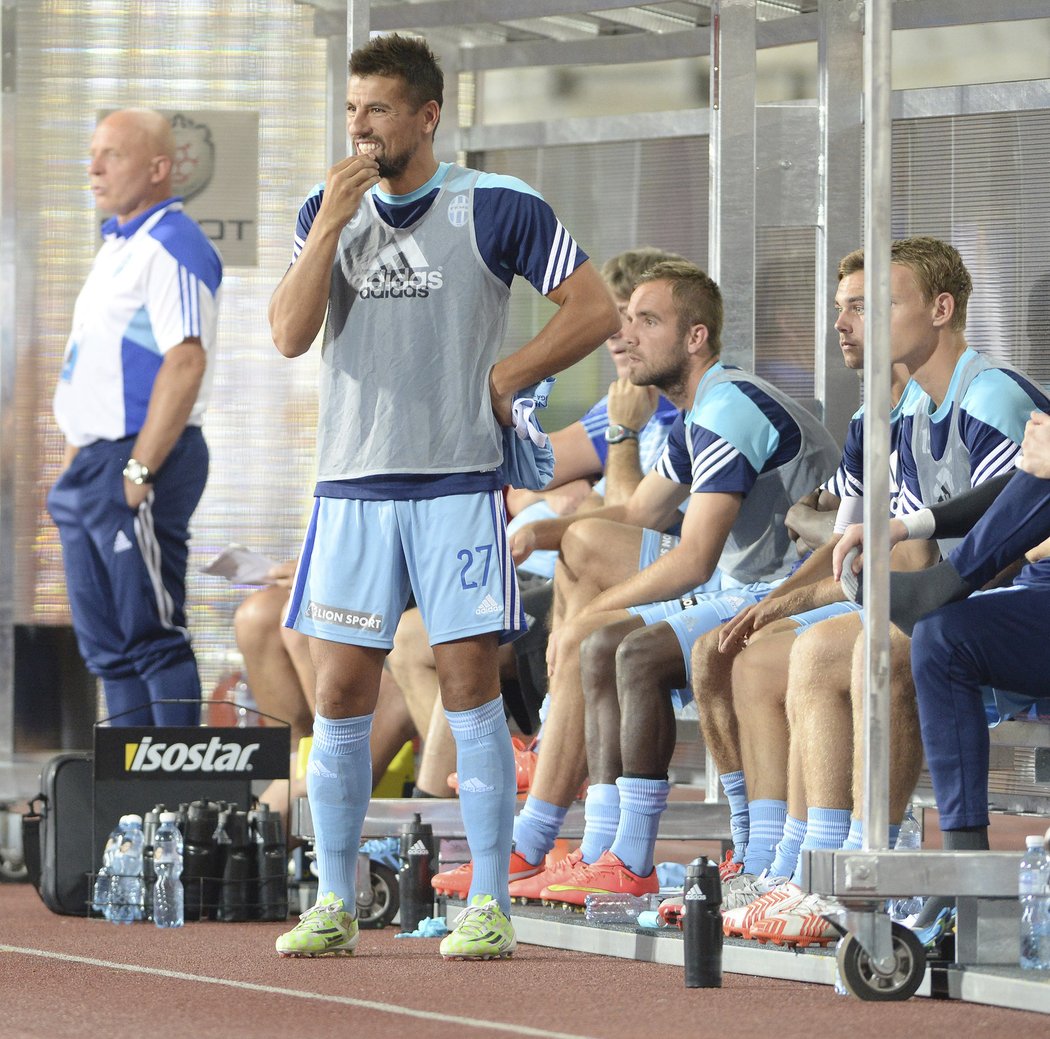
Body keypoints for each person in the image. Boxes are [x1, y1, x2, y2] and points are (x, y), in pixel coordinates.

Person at [268, 34, 619, 961]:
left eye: (378, 109)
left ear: (426, 116)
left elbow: (596, 309)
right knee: (339, 689)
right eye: (352, 110)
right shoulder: (324, 205)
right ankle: (335, 898)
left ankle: (492, 902)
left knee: (468, 682)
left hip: (458, 483)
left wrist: (510, 373)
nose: (360, 127)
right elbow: (289, 334)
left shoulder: (496, 205)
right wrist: (331, 227)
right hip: (351, 485)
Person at [432, 259, 839, 904]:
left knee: (606, 634)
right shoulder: (700, 406)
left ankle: (611, 847)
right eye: (625, 321)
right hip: (741, 584)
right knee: (584, 558)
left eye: (647, 321)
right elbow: (641, 512)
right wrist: (545, 532)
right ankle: (573, 845)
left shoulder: (727, 405)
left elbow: (695, 559)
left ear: (695, 337)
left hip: (785, 590)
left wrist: (588, 616)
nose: (625, 336)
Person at [723, 237, 1050, 947]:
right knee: (775, 653)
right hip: (978, 604)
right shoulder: (889, 410)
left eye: (872, 306)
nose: (849, 324)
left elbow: (1018, 528)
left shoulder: (988, 395)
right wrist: (785, 595)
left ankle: (863, 869)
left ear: (939, 309)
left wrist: (911, 551)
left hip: (1014, 601)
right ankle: (800, 863)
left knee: (859, 646)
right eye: (843, 309)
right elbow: (858, 532)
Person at [47, 108, 222, 728]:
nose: (93, 167)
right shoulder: (117, 243)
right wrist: (78, 458)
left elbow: (186, 360)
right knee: (109, 650)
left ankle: (168, 803)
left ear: (158, 168)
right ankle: (126, 805)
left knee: (151, 635)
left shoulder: (170, 243)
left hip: (140, 457)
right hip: (95, 461)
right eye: (93, 153)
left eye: (112, 155)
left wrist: (139, 468)